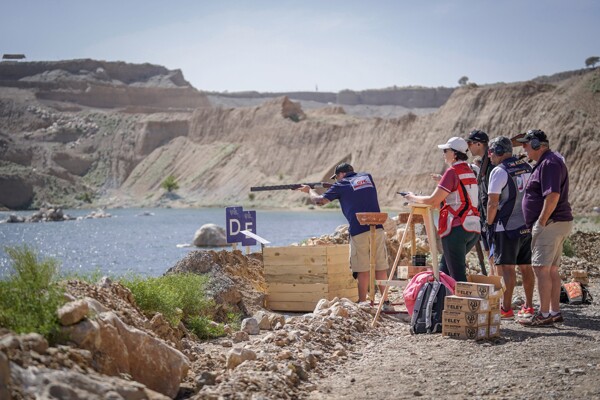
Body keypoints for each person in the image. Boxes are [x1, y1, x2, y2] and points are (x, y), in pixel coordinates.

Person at [296, 163, 391, 309]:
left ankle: (363, 303)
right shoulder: (367, 177)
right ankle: (386, 302)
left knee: (362, 267)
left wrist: (309, 191)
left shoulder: (340, 185)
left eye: (337, 178)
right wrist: (334, 188)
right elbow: (356, 191)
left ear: (341, 174)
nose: (336, 181)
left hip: (359, 229)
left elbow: (319, 201)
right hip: (377, 226)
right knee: (380, 267)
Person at [517, 130, 574, 327]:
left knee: (541, 268)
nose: (523, 148)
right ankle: (554, 312)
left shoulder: (549, 163)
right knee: (550, 270)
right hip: (555, 222)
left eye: (526, 144)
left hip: (550, 223)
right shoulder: (546, 162)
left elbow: (552, 196)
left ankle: (544, 313)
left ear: (536, 144)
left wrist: (541, 222)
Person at [405, 137, 480, 282]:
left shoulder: (452, 172)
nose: (443, 154)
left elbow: (433, 200)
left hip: (457, 229)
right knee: (444, 271)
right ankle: (440, 302)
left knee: (457, 277)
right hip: (473, 228)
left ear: (455, 153)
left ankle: (461, 303)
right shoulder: (470, 170)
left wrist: (412, 197)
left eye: (446, 150)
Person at [485, 136, 535, 320]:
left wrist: (489, 224)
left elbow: (492, 203)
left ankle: (506, 308)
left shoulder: (499, 171)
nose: (489, 156)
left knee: (506, 268)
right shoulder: (527, 167)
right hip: (527, 225)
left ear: (499, 152)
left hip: (505, 227)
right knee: (526, 267)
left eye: (491, 152)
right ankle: (529, 306)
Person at [466, 130, 495, 274]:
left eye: (470, 143)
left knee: (495, 256)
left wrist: (490, 220)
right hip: (485, 216)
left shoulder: (490, 164)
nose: (468, 146)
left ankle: (501, 291)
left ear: (478, 144)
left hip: (492, 218)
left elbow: (493, 195)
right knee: (490, 254)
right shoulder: (486, 162)